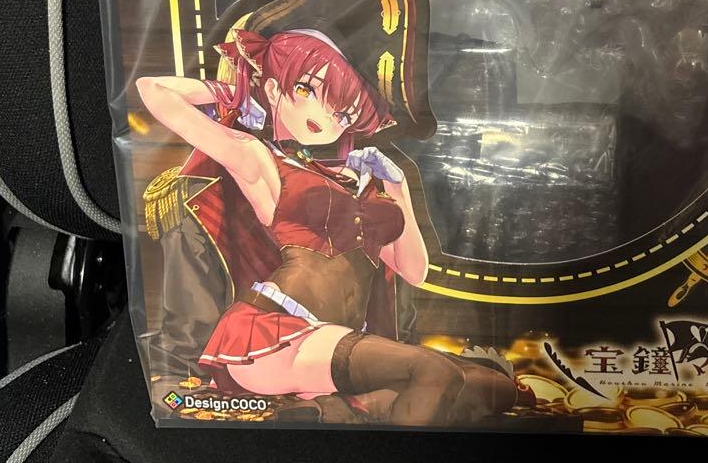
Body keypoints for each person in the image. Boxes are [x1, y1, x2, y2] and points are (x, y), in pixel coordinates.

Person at [137, 27, 528, 425]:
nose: (324, 116)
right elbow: (152, 89)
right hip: (275, 334)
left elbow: (414, 271)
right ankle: (364, 426)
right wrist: (232, 93)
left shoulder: (363, 183)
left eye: (342, 113)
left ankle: (331, 410)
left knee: (493, 387)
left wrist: (398, 189)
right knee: (433, 373)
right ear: (272, 89)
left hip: (336, 340)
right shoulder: (260, 160)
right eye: (307, 90)